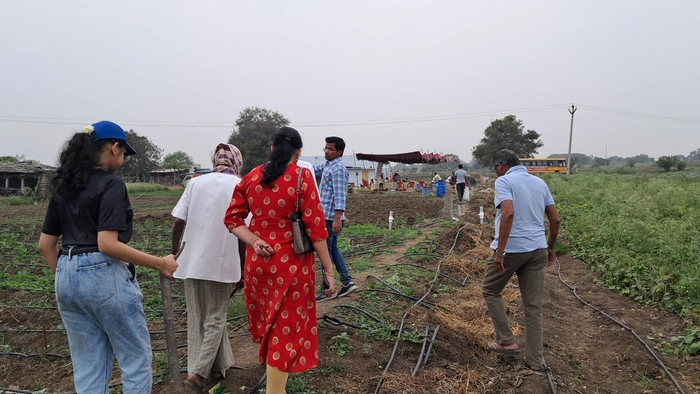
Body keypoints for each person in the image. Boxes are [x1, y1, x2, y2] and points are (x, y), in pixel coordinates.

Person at [38, 121, 179, 394]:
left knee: (89, 364)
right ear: (114, 147)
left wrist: (70, 276)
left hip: (66, 273)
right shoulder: (111, 184)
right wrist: (161, 262)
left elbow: (45, 245)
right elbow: (107, 244)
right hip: (102, 273)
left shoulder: (63, 188)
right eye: (124, 153)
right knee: (135, 360)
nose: (123, 160)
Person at [224, 127, 336, 394]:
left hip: (258, 263)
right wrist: (329, 269)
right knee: (284, 330)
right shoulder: (302, 176)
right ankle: (275, 391)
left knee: (270, 324)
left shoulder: (250, 177)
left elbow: (232, 219)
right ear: (297, 152)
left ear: (273, 149)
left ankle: (276, 387)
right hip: (292, 266)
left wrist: (253, 240)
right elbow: (316, 229)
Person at [171, 144, 246, 391]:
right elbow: (244, 231)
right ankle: (198, 373)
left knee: (198, 316)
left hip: (190, 258)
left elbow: (177, 221)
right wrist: (243, 269)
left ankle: (218, 366)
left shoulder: (195, 183)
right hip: (221, 261)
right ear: (237, 161)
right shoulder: (240, 185)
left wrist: (174, 254)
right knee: (215, 317)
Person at [481, 149, 560, 371]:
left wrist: (501, 252)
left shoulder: (505, 182)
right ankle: (535, 360)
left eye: (495, 170)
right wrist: (550, 247)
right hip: (537, 250)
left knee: (490, 290)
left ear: (499, 166)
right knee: (533, 307)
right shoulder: (539, 184)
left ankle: (506, 342)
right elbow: (554, 220)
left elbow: (508, 214)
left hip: (513, 250)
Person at [314, 136, 358, 301]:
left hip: (331, 218)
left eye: (330, 149)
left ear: (339, 152)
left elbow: (340, 196)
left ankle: (327, 289)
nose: (327, 151)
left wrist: (338, 218)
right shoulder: (327, 166)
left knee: (325, 252)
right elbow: (311, 169)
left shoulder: (338, 169)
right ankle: (346, 282)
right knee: (332, 250)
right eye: (325, 148)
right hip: (327, 217)